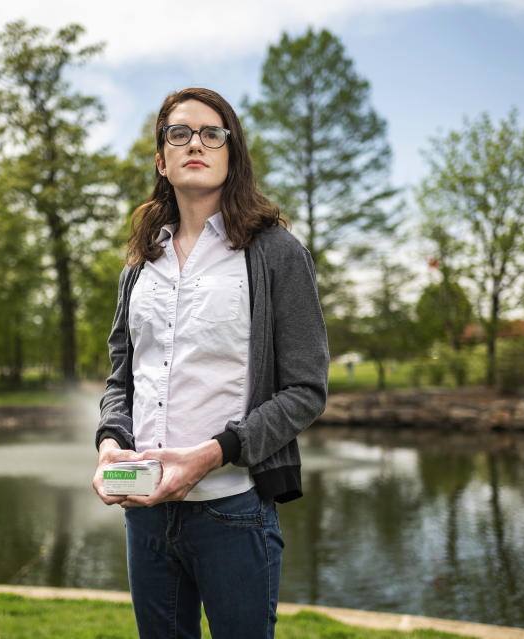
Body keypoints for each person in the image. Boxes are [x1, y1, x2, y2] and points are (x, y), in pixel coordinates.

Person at [94, 87, 329, 639]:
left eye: (211, 133)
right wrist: (109, 442)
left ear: (231, 152)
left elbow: (306, 390)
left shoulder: (275, 253)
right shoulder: (140, 264)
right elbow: (120, 378)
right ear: (161, 158)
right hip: (145, 511)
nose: (195, 143)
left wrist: (213, 453)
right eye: (179, 133)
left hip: (234, 508)